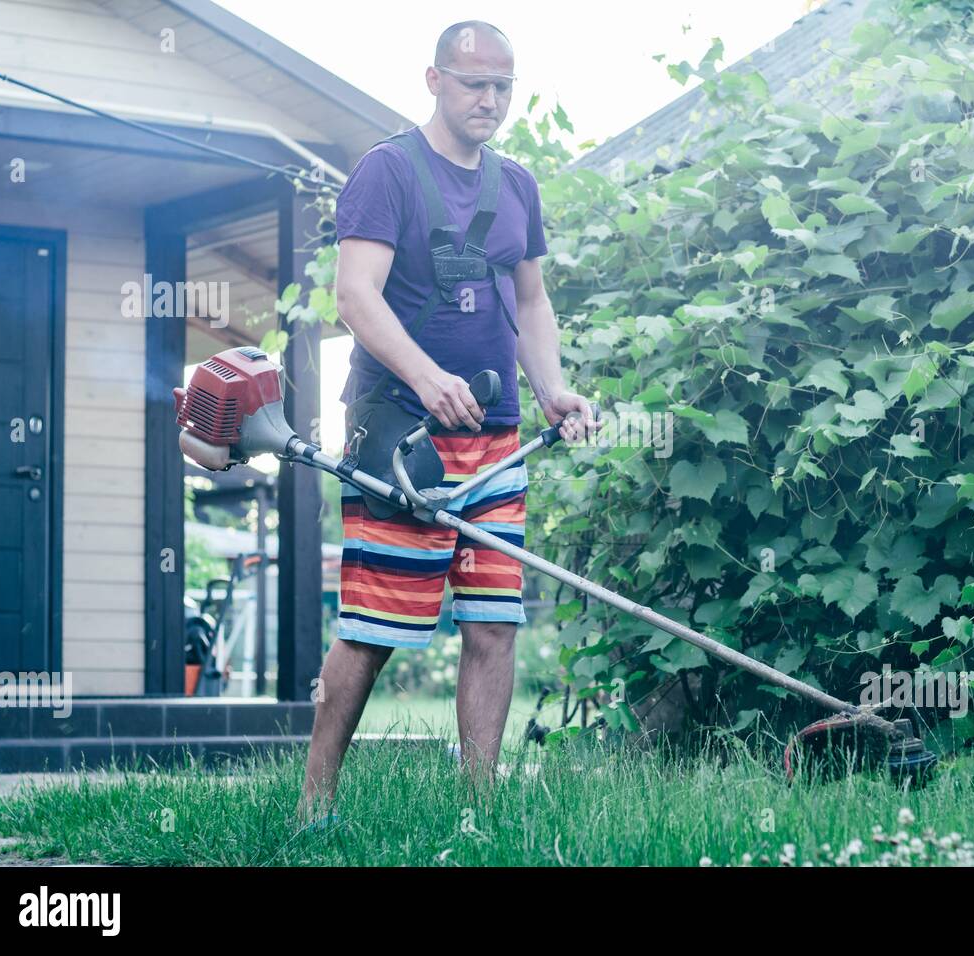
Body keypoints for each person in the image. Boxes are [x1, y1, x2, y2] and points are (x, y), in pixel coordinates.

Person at [299, 19, 596, 821]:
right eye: (473, 84)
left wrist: (554, 391)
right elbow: (355, 295)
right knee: (371, 625)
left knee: (495, 624)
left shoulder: (518, 188)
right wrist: (428, 379)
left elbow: (530, 302)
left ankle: (479, 811)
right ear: (434, 81)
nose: (490, 100)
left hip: (496, 438)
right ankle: (315, 805)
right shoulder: (387, 172)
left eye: (502, 85)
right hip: (400, 435)